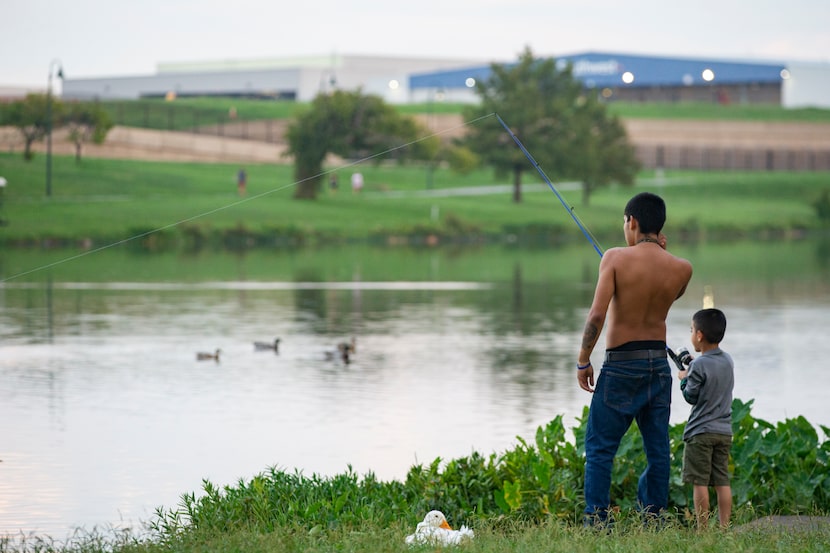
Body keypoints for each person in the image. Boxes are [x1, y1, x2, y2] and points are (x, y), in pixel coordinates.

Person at [577, 191, 693, 525]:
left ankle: (598, 519)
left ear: (633, 221)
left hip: (621, 366)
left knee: (600, 448)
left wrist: (583, 360)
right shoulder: (682, 269)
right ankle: (652, 516)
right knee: (658, 450)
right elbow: (669, 291)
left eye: (625, 223)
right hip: (658, 366)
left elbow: (597, 316)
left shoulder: (614, 258)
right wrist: (660, 255)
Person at [677, 308, 734, 529]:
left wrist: (684, 378)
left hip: (700, 432)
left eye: (692, 330)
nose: (691, 334)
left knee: (699, 482)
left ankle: (703, 530)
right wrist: (693, 367)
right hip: (723, 431)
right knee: (722, 481)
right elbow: (713, 380)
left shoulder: (699, 366)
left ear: (699, 335)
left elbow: (691, 396)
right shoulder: (727, 361)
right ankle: (725, 528)